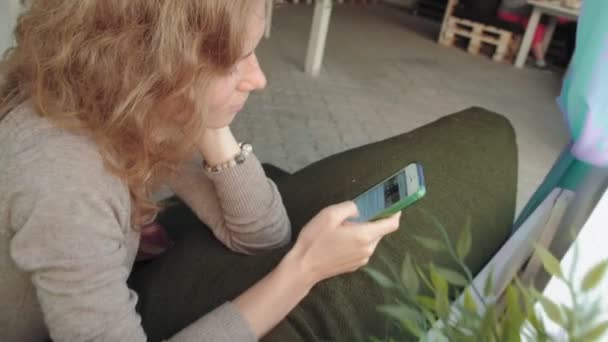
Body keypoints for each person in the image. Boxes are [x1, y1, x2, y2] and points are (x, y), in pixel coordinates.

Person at [0, 1, 402, 341]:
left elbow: (261, 235)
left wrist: (208, 119)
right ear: (147, 66)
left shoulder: (134, 106)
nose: (259, 80)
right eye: (234, 62)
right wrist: (305, 269)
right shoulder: (65, 177)